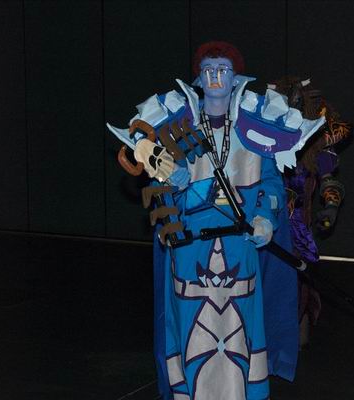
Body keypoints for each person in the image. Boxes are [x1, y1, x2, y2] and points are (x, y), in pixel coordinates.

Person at [108, 42, 325, 400]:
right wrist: (171, 183)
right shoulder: (174, 129)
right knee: (191, 320)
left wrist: (264, 220)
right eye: (208, 69)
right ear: (198, 79)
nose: (215, 77)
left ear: (236, 78)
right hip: (190, 246)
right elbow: (158, 189)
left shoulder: (256, 131)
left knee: (241, 325)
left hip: (240, 244)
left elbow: (271, 184)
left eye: (222, 69)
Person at [270, 76, 351, 347]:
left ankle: (295, 334)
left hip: (296, 229)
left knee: (299, 284)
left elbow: (329, 180)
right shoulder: (262, 142)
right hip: (265, 223)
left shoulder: (314, 148)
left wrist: (331, 207)